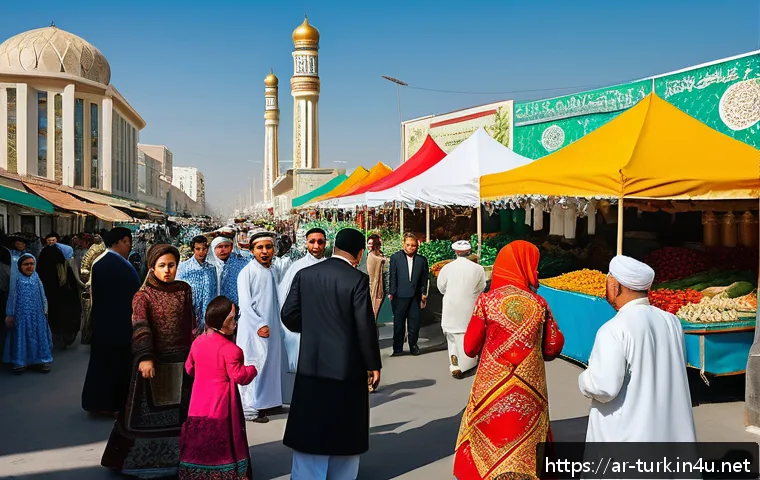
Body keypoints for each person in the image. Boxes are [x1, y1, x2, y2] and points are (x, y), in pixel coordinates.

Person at [454, 241, 564, 480]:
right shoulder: (539, 304)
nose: (536, 271)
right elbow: (553, 347)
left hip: (491, 386)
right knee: (528, 430)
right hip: (530, 388)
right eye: (534, 265)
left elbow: (470, 347)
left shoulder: (486, 301)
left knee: (490, 425)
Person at [281, 227, 382, 480]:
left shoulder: (305, 274)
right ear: (359, 253)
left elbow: (288, 315)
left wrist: (313, 327)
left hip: (312, 365)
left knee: (311, 427)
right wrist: (373, 364)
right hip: (347, 366)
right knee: (345, 428)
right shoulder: (357, 279)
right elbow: (365, 326)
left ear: (333, 247)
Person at [578, 255, 696, 442]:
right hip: (668, 433)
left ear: (616, 286)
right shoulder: (671, 321)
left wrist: (584, 379)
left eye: (608, 282)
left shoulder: (614, 329)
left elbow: (604, 388)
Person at [101, 244, 195, 478]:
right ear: (152, 267)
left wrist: (195, 352)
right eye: (161, 266)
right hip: (152, 364)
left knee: (180, 414)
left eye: (171, 265)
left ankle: (181, 459)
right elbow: (140, 325)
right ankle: (141, 463)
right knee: (143, 417)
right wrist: (145, 356)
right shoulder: (143, 296)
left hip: (181, 363)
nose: (167, 271)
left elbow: (190, 324)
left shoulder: (184, 289)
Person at [179, 296, 257, 480]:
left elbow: (189, 369)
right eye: (232, 319)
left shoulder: (197, 342)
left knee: (198, 440)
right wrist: (253, 369)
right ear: (221, 321)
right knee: (224, 439)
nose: (235, 324)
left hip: (198, 405)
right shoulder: (232, 350)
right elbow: (240, 376)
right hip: (221, 406)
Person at [81, 227, 141, 414]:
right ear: (120, 241)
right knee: (115, 367)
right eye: (128, 242)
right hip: (118, 326)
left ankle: (98, 403)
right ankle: (112, 405)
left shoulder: (105, 262)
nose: (129, 246)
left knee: (102, 366)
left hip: (104, 325)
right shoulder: (115, 265)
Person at [237, 230, 282, 423]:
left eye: (268, 247)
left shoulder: (272, 270)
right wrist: (259, 325)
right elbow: (245, 304)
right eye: (260, 248)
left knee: (270, 363)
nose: (264, 251)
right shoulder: (247, 272)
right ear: (252, 250)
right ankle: (250, 409)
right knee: (254, 364)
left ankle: (268, 402)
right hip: (254, 329)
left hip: (272, 325)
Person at [277, 227, 328, 373]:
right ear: (306, 243)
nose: (316, 246)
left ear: (325, 243)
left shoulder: (331, 266)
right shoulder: (297, 267)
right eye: (312, 242)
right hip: (302, 327)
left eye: (320, 242)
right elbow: (284, 298)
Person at [437, 240, 487, 379]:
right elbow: (481, 287)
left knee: (452, 339)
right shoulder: (478, 269)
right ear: (469, 252)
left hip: (450, 309)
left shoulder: (447, 268)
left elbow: (441, 287)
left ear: (455, 252)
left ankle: (455, 365)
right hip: (468, 309)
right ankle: (467, 366)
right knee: (467, 337)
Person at [3, 254, 53, 374]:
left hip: (37, 316)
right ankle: (21, 361)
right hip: (21, 316)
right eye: (26, 264)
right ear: (20, 266)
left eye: (32, 264)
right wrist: (10, 314)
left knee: (38, 336)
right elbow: (12, 298)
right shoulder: (17, 280)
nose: (30, 267)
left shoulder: (36, 278)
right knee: (21, 336)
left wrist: (45, 310)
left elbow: (42, 295)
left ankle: (40, 360)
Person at [388, 233, 429, 356]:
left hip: (415, 296)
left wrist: (424, 294)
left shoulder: (422, 260)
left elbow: (424, 278)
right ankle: (398, 348)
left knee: (414, 322)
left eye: (413, 245)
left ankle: (413, 345)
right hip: (399, 295)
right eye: (408, 245)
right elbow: (392, 276)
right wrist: (391, 292)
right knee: (399, 323)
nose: (411, 248)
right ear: (403, 244)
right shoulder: (396, 257)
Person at [36, 245, 82, 349]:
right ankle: (63, 338)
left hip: (52, 300)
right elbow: (73, 284)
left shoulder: (42, 268)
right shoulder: (64, 265)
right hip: (65, 299)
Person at [177, 235, 218, 330]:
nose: (201, 252)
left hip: (207, 316)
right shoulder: (184, 268)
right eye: (198, 249)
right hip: (190, 315)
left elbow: (214, 291)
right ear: (193, 250)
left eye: (204, 249)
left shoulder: (211, 269)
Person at [79, 234, 106, 345]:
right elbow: (84, 268)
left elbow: (84, 267)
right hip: (92, 285)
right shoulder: (95, 250)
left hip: (96, 284)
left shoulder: (97, 250)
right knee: (89, 312)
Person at [207, 236, 249, 306]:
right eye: (219, 247)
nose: (223, 250)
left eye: (226, 246)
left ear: (231, 247)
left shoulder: (241, 265)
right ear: (213, 249)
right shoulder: (207, 267)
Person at [366, 234, 386, 320]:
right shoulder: (371, 256)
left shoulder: (379, 255)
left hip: (380, 288)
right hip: (373, 288)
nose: (369, 245)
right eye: (368, 243)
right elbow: (371, 277)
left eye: (371, 243)